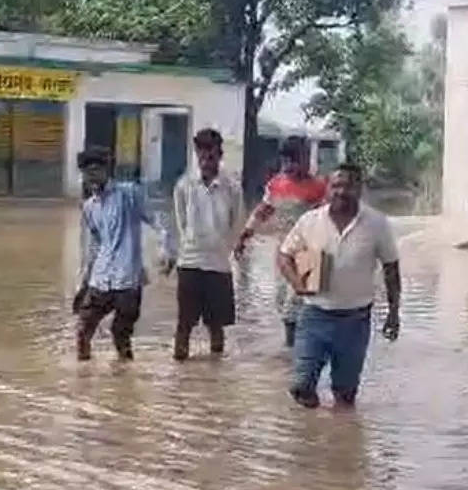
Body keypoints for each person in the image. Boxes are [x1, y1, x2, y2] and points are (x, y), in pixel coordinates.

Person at [276, 164, 400, 409]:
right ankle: (311, 439)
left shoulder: (377, 223)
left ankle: (342, 441)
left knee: (345, 395)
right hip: (314, 314)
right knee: (301, 388)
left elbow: (391, 269)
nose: (341, 191)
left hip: (355, 319)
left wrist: (393, 313)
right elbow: (284, 255)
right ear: (327, 189)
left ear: (359, 189)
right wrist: (297, 283)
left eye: (348, 186)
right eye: (336, 185)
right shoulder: (310, 221)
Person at [73, 146, 175, 361]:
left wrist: (166, 249)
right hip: (100, 279)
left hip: (128, 280)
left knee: (120, 334)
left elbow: (157, 221)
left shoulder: (129, 194)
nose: (91, 176)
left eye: (95, 170)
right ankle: (83, 380)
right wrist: (83, 282)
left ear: (106, 170)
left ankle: (124, 382)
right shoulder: (89, 207)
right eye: (86, 172)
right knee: (83, 330)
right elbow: (94, 245)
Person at [234, 137, 327, 347]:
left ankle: (297, 351)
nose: (295, 165)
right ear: (284, 161)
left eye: (300, 159)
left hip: (310, 254)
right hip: (283, 253)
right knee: (281, 301)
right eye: (290, 161)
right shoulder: (276, 185)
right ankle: (294, 350)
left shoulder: (319, 187)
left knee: (300, 305)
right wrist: (244, 236)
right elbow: (262, 212)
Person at [173, 128, 243, 361]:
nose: (205, 161)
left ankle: (216, 374)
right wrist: (188, 247)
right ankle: (180, 372)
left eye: (210, 156)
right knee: (184, 324)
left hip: (219, 264)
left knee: (217, 326)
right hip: (190, 262)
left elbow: (237, 223)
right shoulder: (184, 185)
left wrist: (225, 249)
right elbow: (181, 223)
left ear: (219, 155)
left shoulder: (232, 187)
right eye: (201, 156)